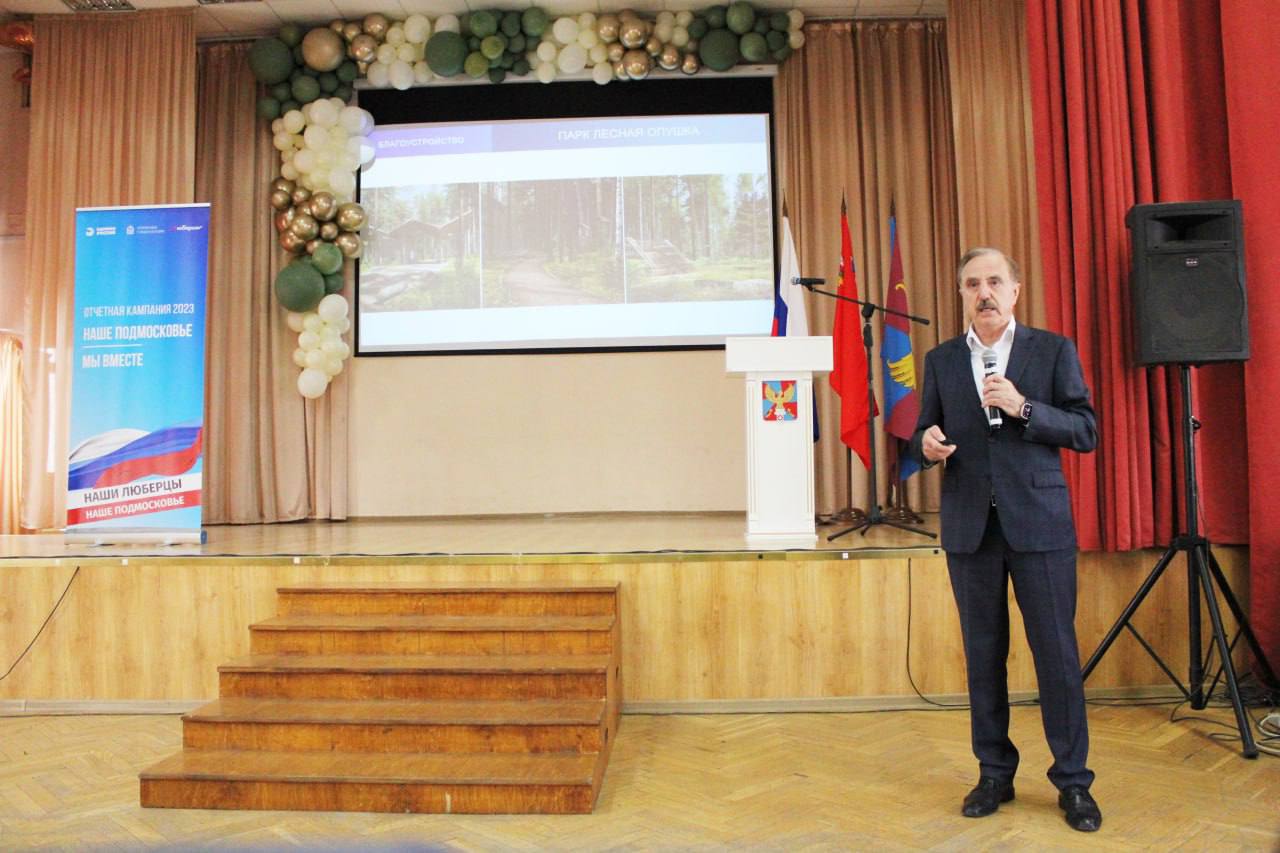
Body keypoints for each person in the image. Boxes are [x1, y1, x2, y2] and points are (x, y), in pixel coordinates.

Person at [908, 247, 1102, 832]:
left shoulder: (1053, 350)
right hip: (972, 528)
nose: (984, 292)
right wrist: (927, 444)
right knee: (983, 655)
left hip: (1039, 523)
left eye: (994, 281)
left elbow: (1085, 429)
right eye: (972, 284)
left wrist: (1024, 407)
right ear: (962, 295)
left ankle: (1073, 781)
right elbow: (924, 429)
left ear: (1015, 290)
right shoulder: (942, 359)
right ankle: (994, 772)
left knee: (1056, 655)